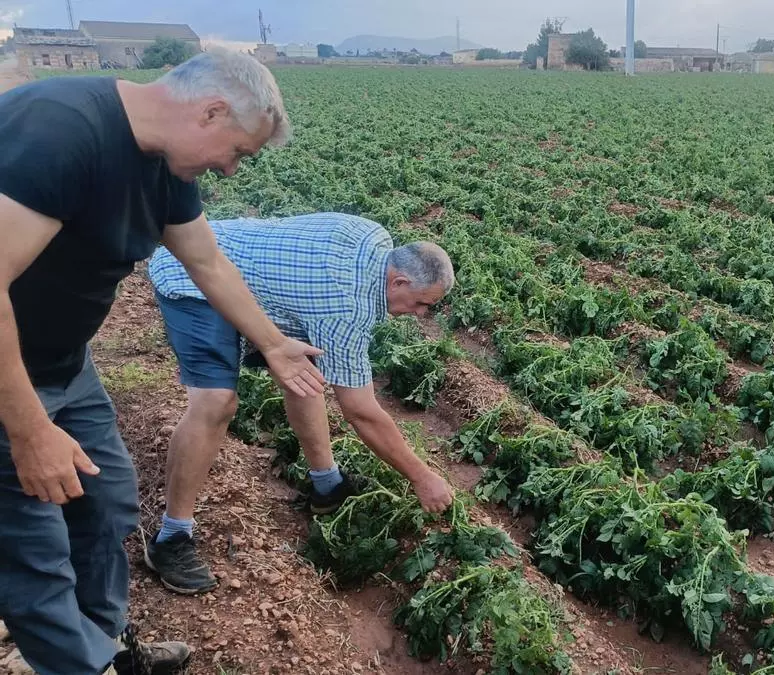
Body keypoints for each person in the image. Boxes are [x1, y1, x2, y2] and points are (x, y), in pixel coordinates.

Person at [0, 49, 329, 675]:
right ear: (210, 111)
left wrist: (273, 342)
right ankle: (79, 663)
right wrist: (28, 430)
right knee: (33, 547)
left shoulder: (163, 166)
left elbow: (207, 262)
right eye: (239, 152)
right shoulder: (62, 131)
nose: (232, 171)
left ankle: (107, 647)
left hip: (63, 363)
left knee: (108, 500)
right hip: (8, 376)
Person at [144, 213, 457, 595]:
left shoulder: (375, 237)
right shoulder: (346, 304)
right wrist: (422, 478)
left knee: (305, 374)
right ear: (399, 281)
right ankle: (172, 538)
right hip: (193, 276)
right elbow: (360, 411)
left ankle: (326, 484)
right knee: (217, 402)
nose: (421, 314)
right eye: (422, 303)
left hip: (257, 279)